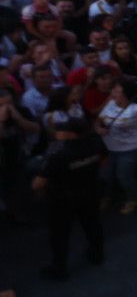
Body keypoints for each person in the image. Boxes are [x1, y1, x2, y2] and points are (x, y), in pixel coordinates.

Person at [33, 118, 105, 280]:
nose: (57, 132)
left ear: (70, 134)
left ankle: (59, 268)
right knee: (93, 225)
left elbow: (37, 184)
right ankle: (97, 254)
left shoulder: (58, 155)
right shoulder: (95, 143)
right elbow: (102, 160)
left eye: (60, 130)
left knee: (59, 235)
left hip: (63, 200)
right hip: (90, 191)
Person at [95, 81, 137, 216]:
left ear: (127, 95)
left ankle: (132, 199)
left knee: (124, 175)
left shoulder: (136, 108)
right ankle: (106, 196)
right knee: (106, 175)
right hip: (110, 149)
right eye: (113, 91)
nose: (113, 94)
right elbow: (98, 120)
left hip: (131, 149)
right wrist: (98, 128)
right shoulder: (110, 104)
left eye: (117, 92)